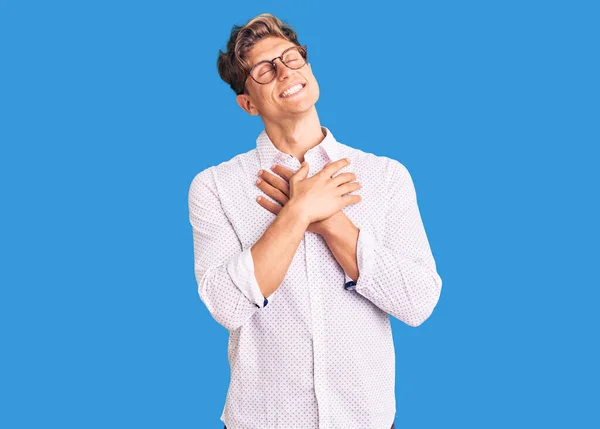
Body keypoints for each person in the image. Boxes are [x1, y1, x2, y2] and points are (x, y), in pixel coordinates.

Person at [188, 12, 442, 429]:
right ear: (247, 103)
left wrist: (330, 221)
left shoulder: (385, 176)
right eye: (265, 70)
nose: (285, 71)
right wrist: (298, 211)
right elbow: (226, 306)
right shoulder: (215, 186)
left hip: (367, 419)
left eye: (292, 57)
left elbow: (418, 303)